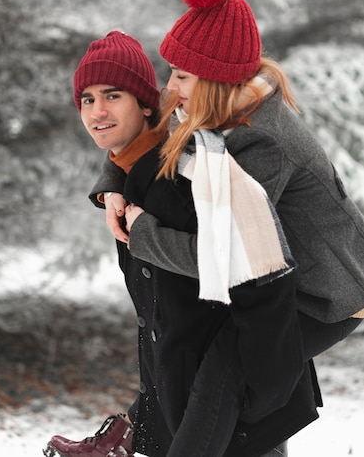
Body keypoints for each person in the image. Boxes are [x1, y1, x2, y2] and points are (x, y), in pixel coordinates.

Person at [102, 0, 364, 456]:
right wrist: (112, 185)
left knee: (229, 367)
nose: (171, 86)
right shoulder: (208, 108)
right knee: (236, 388)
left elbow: (224, 261)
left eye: (181, 75)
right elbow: (148, 131)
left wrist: (143, 233)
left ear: (215, 78)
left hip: (326, 293)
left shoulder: (259, 144)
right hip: (274, 276)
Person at [43, 28, 319, 457]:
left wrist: (254, 397)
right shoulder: (135, 175)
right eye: (87, 99)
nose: (96, 111)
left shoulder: (192, 170)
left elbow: (248, 274)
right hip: (187, 397)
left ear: (147, 102)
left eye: (112, 95)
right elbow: (160, 318)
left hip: (237, 397)